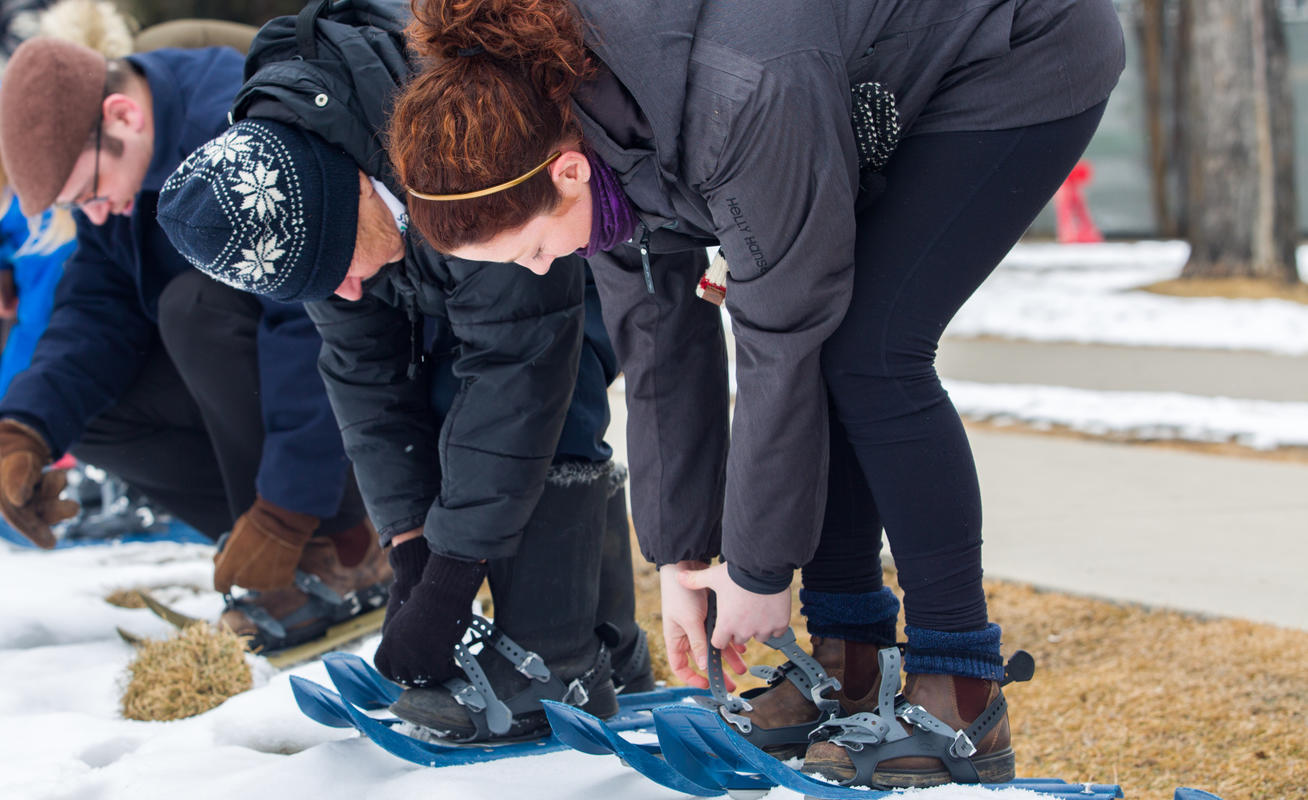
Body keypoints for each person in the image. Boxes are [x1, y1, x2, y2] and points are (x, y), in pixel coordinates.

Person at [385, 0, 1124, 787]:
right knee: (838, 342)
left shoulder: (734, 96)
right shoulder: (576, 121)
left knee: (870, 351)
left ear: (566, 174)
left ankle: (961, 691)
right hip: (848, 77)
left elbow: (783, 340)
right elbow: (660, 339)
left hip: (1013, 45)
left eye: (532, 250)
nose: (540, 270)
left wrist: (760, 571)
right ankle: (848, 666)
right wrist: (682, 553)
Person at [155, 2, 650, 742]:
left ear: (351, 190)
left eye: (336, 269)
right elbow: (365, 378)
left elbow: (522, 360)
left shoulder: (456, 143)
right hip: (447, 256)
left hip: (565, 231)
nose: (344, 294)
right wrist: (411, 545)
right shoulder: (311, 188)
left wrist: (454, 574)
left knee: (526, 386)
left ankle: (560, 655)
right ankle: (609, 645)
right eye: (321, 287)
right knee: (436, 391)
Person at [0, 36, 389, 652]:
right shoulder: (120, 176)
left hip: (369, 385)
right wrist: (26, 426)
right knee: (95, 413)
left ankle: (347, 544)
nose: (92, 214)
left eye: (88, 192)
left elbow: (309, 321)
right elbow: (97, 309)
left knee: (194, 306)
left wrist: (288, 506)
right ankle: (283, 557)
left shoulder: (242, 126)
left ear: (123, 116)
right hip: (274, 391)